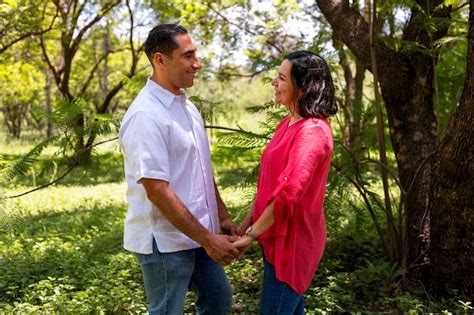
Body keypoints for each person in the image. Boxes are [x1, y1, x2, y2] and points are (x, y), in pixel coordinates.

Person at [118, 24, 240, 315]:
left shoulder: (186, 106)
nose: (197, 63)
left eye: (195, 54)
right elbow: (157, 191)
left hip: (198, 234)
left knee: (218, 300)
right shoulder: (146, 115)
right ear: (160, 59)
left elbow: (200, 168)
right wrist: (208, 239)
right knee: (166, 311)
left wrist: (221, 216)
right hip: (165, 241)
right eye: (187, 56)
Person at [234, 51, 338, 314]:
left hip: (294, 244)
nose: (274, 82)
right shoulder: (288, 124)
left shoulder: (312, 131)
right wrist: (248, 223)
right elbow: (270, 187)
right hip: (275, 235)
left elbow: (288, 194)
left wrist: (251, 235)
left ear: (302, 87)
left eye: (281, 77)